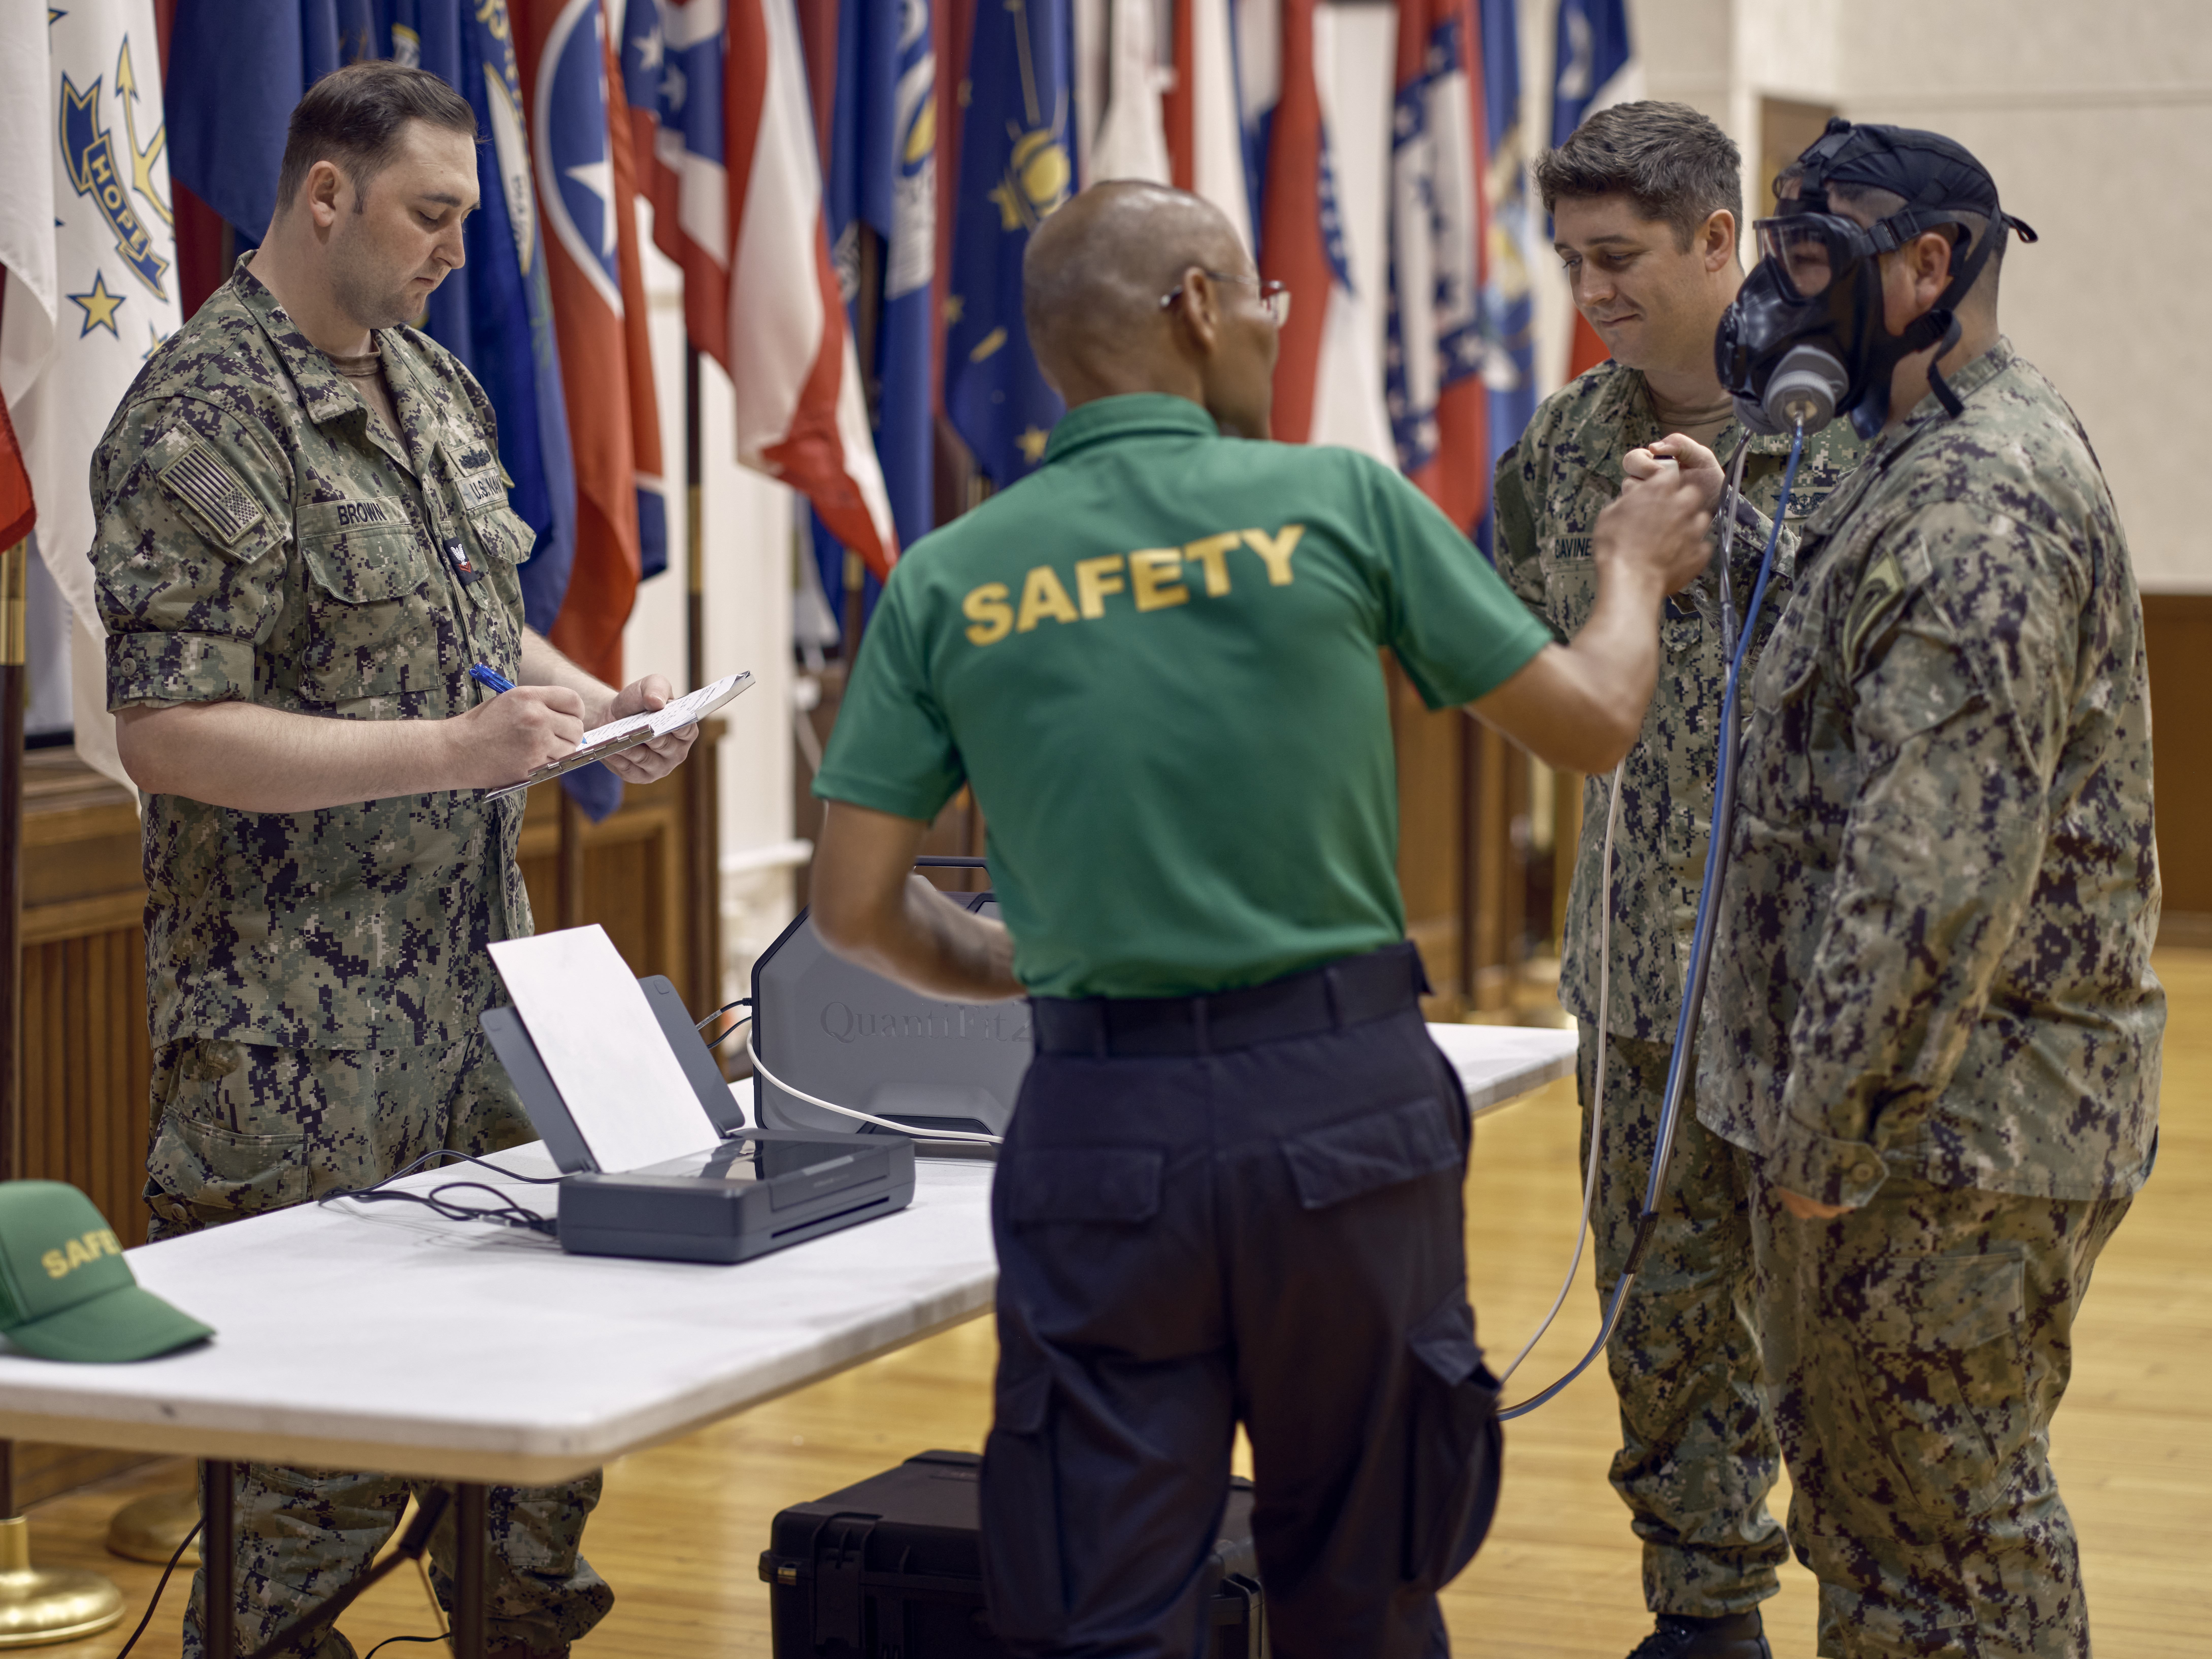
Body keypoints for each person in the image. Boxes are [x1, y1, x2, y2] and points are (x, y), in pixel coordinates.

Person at [803, 178, 1711, 1659]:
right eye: (1263, 293)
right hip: (1343, 1117)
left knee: (1102, 1606)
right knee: (1363, 1592)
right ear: (1196, 309)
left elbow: (849, 908)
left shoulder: (948, 577)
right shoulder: (1338, 502)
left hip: (1101, 1129)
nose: (1281, 320)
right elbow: (1597, 721)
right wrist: (1631, 569)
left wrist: (1011, 970)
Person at [89, 62, 696, 1659]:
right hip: (297, 1042)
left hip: (482, 999)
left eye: (467, 218)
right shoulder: (202, 415)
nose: (452, 248)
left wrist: (588, 708)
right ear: (328, 195)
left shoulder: (434, 391)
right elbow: (168, 731)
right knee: (308, 1479)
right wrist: (450, 749)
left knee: (542, 1403)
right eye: (432, 215)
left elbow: (478, 637)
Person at [1692, 120, 2161, 1658]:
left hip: (1946, 1138)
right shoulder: (1911, 452)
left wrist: (1835, 1124)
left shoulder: (1978, 496)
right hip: (1936, 1122)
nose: (1778, 293)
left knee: (1943, 1551)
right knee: (1891, 1527)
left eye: (1812, 258)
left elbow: (1933, 869)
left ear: (1930, 264)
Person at [1494, 102, 1863, 1659]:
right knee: (1661, 1315)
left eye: (1623, 256)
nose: (1593, 290)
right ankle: (1704, 1611)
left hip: (1821, 988)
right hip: (1641, 965)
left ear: (1724, 241)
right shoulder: (1569, 443)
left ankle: (1888, 1607)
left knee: (1848, 1334)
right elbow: (1517, 659)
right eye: (1572, 258)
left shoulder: (1850, 426)